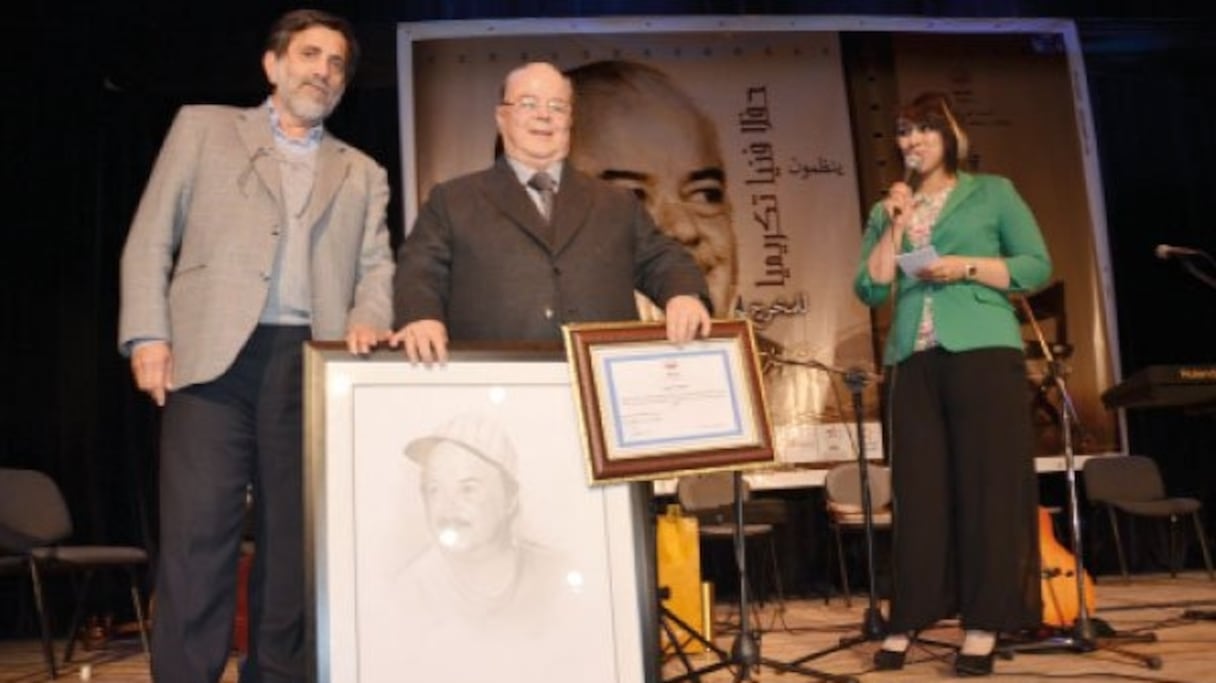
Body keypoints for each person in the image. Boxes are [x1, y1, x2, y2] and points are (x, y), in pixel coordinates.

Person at [118, 9, 394, 681]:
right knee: (196, 537)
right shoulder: (204, 128)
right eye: (309, 55)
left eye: (335, 64)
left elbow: (377, 269)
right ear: (273, 66)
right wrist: (148, 333)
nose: (322, 71)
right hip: (211, 358)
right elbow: (152, 233)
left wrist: (366, 314)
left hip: (311, 364)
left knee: (292, 545)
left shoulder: (363, 171)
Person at [853, 92, 1049, 676]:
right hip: (913, 358)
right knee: (918, 494)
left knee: (988, 489)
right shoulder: (884, 208)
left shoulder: (994, 192)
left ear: (950, 136)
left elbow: (1036, 266)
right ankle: (908, 616)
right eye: (904, 131)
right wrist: (894, 223)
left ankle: (984, 622)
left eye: (924, 130)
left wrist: (964, 265)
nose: (912, 140)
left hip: (983, 351)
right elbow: (870, 288)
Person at [389, 61, 712, 362]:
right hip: (497, 388)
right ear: (502, 118)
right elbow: (419, 271)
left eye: (557, 106)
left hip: (596, 385)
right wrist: (421, 316)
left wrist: (683, 294)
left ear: (570, 121)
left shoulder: (617, 203)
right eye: (528, 104)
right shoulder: (453, 200)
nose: (544, 115)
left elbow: (663, 259)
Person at [564, 60, 738, 319]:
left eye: (705, 194)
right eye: (631, 195)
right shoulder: (515, 354)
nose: (684, 229)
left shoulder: (778, 360)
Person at [397, 413, 568, 635]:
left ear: (510, 499)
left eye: (468, 489)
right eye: (434, 489)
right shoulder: (410, 592)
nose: (447, 509)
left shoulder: (555, 577)